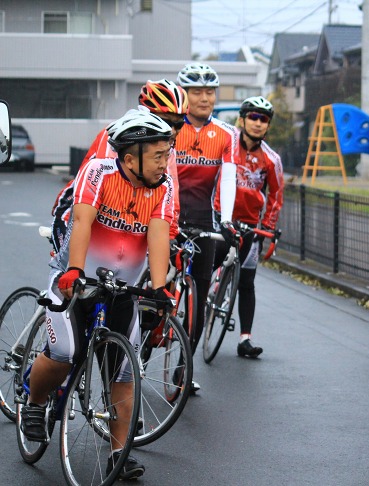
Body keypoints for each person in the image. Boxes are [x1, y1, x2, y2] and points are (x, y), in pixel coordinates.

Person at [21, 110, 177, 480]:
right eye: (157, 155)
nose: (164, 163)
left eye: (166, 154)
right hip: (76, 279)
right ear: (129, 158)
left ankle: (119, 453)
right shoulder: (98, 172)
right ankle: (35, 400)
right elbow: (82, 221)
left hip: (122, 288)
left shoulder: (164, 186)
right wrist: (74, 269)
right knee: (64, 353)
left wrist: (158, 287)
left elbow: (158, 236)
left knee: (124, 371)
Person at [51, 79, 188, 251]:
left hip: (123, 218)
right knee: (75, 270)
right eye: (168, 122)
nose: (173, 131)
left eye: (179, 124)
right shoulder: (117, 136)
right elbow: (108, 188)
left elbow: (170, 191)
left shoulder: (165, 146)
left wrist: (171, 234)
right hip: (80, 210)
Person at [175, 63, 236, 385]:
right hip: (168, 217)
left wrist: (225, 220)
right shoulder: (171, 127)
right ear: (184, 94)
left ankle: (183, 373)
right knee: (151, 291)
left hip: (203, 220)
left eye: (209, 92)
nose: (204, 98)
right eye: (196, 91)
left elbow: (228, 178)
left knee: (197, 303)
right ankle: (139, 354)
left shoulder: (226, 134)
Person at [214, 96, 284, 358]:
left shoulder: (271, 159)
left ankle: (245, 339)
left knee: (247, 281)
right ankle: (198, 309)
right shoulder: (227, 147)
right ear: (241, 119)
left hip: (251, 227)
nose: (257, 123)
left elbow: (276, 196)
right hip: (221, 219)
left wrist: (267, 227)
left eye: (263, 119)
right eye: (252, 117)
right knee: (205, 268)